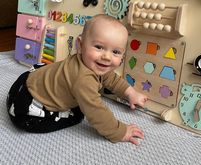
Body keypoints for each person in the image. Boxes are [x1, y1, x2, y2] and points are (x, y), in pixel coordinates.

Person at [7, 14, 148, 145]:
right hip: (30, 103)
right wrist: (119, 132)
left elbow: (111, 79)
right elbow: (96, 112)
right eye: (99, 47)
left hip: (32, 79)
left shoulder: (93, 64)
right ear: (80, 45)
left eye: (115, 52)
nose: (107, 57)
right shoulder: (83, 80)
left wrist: (130, 93)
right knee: (77, 114)